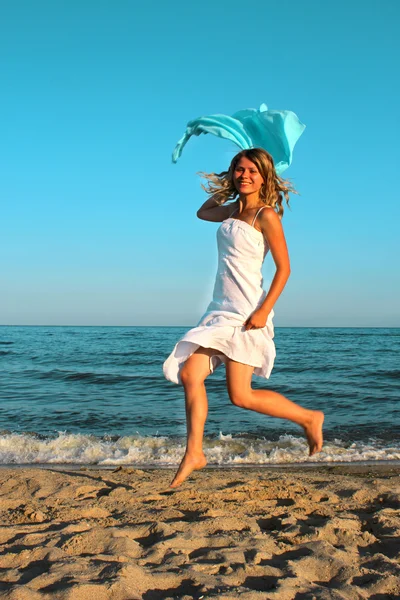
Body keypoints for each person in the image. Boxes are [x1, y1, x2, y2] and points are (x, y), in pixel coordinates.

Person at [163, 147, 324, 488]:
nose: (244, 175)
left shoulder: (266, 215)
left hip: (247, 312)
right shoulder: (233, 210)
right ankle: (194, 452)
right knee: (191, 372)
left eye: (251, 170)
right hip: (220, 309)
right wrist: (228, 189)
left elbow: (285, 269)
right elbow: (202, 212)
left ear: (264, 176)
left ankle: (309, 418)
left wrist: (264, 310)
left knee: (241, 396)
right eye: (238, 169)